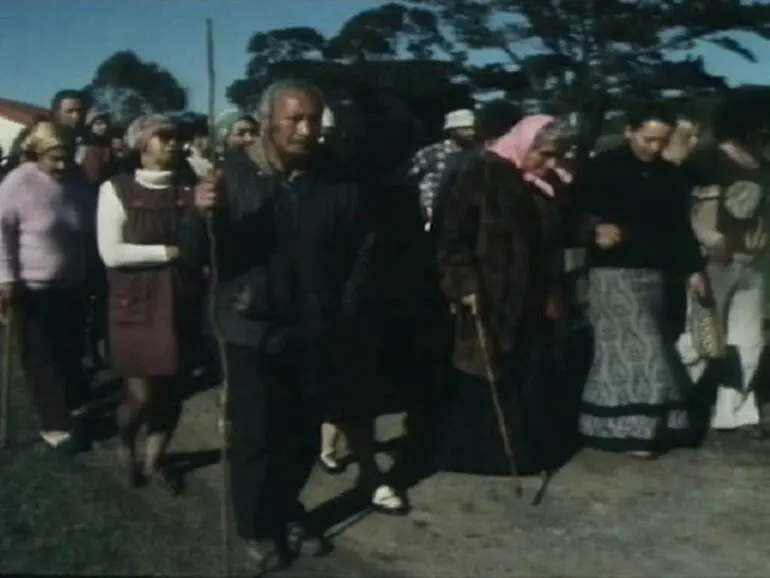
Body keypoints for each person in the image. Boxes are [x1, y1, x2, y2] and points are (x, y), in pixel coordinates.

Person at [179, 79, 377, 570]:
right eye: (294, 119)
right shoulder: (230, 179)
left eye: (313, 119)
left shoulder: (336, 179)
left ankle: (287, 510)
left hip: (316, 328)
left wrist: (343, 308)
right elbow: (192, 256)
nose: (306, 130)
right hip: (249, 331)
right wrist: (198, 215)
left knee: (302, 435)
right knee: (257, 437)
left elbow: (363, 249)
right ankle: (256, 526)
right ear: (266, 121)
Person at [432, 115, 575, 477]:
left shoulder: (545, 185)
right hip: (489, 292)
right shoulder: (481, 174)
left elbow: (558, 229)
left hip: (533, 293)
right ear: (524, 144)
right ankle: (473, 454)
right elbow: (451, 236)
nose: (550, 164)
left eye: (556, 156)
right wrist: (463, 283)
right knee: (483, 369)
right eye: (544, 154)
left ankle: (529, 451)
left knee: (529, 370)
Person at [575, 104, 707, 458]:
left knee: (649, 345)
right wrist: (595, 229)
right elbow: (571, 212)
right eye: (648, 139)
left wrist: (693, 269)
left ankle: (622, 424)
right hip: (612, 271)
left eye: (661, 142)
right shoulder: (600, 168)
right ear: (630, 131)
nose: (654, 147)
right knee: (638, 348)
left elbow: (680, 227)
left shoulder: (668, 174)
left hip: (655, 273)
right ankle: (637, 432)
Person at [96, 114, 204, 490]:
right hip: (137, 304)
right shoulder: (117, 189)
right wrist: (169, 251)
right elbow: (112, 253)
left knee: (172, 392)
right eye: (164, 137)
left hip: (182, 300)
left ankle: (154, 459)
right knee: (142, 395)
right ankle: (126, 438)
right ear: (142, 144)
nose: (174, 143)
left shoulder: (191, 188)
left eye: (177, 138)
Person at [0, 121, 93, 452]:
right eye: (55, 158)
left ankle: (70, 403)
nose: (63, 165)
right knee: (41, 356)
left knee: (70, 350)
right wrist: (6, 278)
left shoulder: (79, 181)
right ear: (36, 154)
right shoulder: (18, 183)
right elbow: (2, 234)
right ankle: (55, 424)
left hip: (73, 282)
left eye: (67, 156)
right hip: (33, 287)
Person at [683, 94, 770, 436]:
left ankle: (732, 408)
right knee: (700, 336)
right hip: (712, 263)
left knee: (748, 340)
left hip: (753, 264)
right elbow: (687, 211)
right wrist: (704, 245)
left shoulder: (762, 164)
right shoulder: (706, 159)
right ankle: (676, 400)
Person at [409, 109, 476, 229]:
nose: (472, 132)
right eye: (465, 129)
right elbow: (412, 177)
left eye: (472, 128)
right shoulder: (431, 153)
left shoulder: (479, 153)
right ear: (452, 131)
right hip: (433, 212)